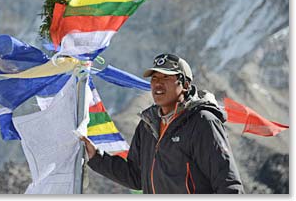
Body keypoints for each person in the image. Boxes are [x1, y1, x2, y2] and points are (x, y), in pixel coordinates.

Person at [80, 53, 244, 194]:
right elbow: (136, 177)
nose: (158, 83)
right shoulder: (147, 125)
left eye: (166, 77)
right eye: (155, 78)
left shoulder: (202, 122)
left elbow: (228, 183)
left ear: (185, 85)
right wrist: (96, 157)